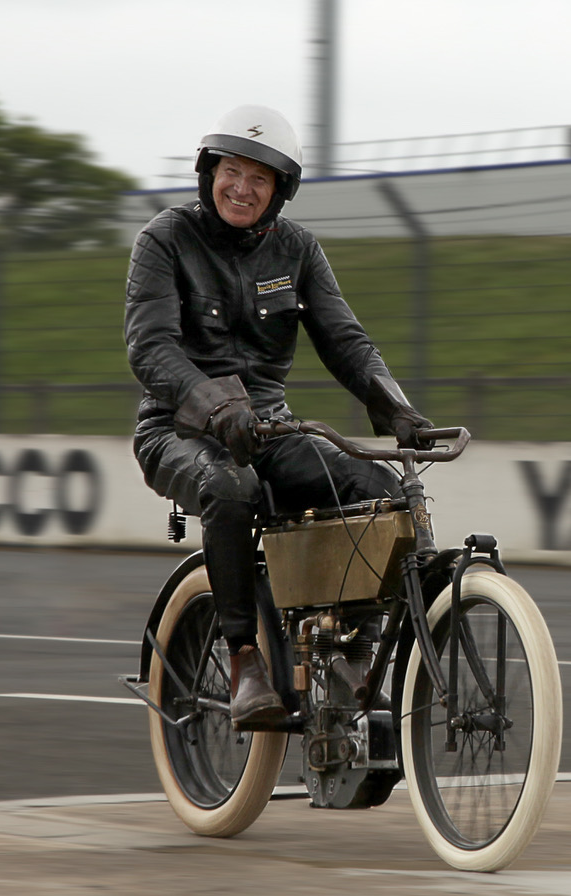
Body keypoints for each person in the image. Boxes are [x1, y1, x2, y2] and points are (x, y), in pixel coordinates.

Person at [124, 105, 432, 729]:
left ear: (279, 191)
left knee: (377, 487)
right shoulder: (165, 238)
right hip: (177, 429)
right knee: (231, 487)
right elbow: (150, 348)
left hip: (270, 427)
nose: (241, 188)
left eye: (259, 179)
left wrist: (395, 409)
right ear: (208, 172)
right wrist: (214, 407)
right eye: (230, 171)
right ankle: (245, 663)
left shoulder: (299, 250)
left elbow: (345, 341)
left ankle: (351, 651)